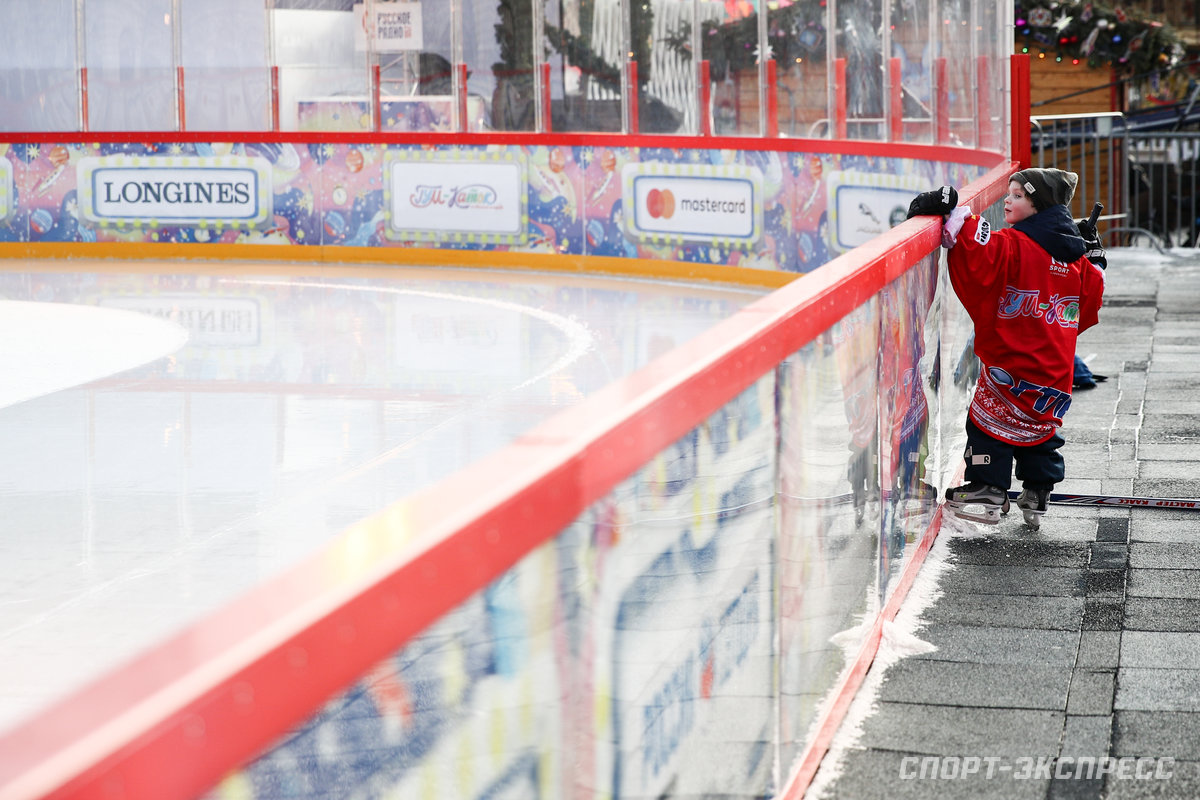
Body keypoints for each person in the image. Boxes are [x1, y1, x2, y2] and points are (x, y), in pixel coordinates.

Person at [906, 169, 1106, 528]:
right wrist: (1094, 257)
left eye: (1016, 196)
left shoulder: (1014, 246)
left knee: (988, 422)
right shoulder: (1074, 260)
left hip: (1011, 366)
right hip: (1053, 372)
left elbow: (976, 249)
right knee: (1040, 428)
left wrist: (950, 211)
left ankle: (987, 487)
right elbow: (1090, 300)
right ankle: (1038, 490)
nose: (1007, 201)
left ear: (1037, 205)